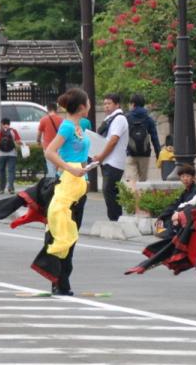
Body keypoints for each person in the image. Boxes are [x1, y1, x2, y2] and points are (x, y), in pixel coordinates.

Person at [32, 88, 93, 295]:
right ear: (82, 106)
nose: (90, 104)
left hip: (80, 186)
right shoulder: (67, 127)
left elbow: (82, 153)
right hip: (66, 184)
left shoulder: (81, 126)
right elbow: (50, 152)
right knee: (62, 232)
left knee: (72, 233)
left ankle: (62, 280)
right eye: (88, 101)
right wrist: (69, 168)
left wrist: (89, 166)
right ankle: (59, 281)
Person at [94, 93, 129, 221]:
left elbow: (113, 140)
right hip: (108, 160)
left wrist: (101, 156)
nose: (106, 106)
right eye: (104, 104)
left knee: (109, 191)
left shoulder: (119, 119)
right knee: (110, 192)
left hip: (114, 161)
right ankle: (115, 219)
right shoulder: (110, 119)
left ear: (117, 104)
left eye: (109, 103)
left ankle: (115, 220)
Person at [125, 93, 162, 182]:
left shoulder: (126, 118)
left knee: (130, 182)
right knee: (143, 182)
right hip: (144, 153)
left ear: (133, 104)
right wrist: (158, 154)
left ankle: (132, 191)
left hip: (130, 153)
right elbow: (155, 138)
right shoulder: (148, 119)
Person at [0, 118, 21, 193]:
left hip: (2, 154)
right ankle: (11, 188)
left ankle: (1, 189)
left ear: (2, 124)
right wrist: (20, 144)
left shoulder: (0, 131)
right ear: (9, 123)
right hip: (12, 154)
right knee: (11, 171)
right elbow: (18, 141)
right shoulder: (13, 131)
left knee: (1, 171)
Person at [37, 102, 62, 178]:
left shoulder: (43, 120)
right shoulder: (61, 120)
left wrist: (38, 141)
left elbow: (39, 134)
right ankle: (59, 181)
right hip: (59, 146)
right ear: (56, 109)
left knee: (50, 165)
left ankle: (52, 182)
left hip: (48, 147)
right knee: (59, 165)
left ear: (48, 109)